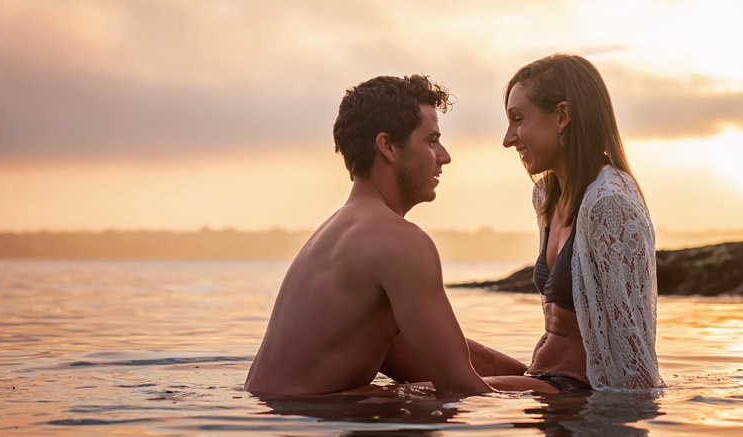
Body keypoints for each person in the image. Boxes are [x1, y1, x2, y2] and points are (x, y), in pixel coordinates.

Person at [244, 74, 546, 398]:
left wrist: (532, 375)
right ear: (388, 147)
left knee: (400, 394)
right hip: (319, 430)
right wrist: (558, 398)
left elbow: (422, 359)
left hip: (280, 425)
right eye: (431, 141)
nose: (444, 156)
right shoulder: (399, 243)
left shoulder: (340, 233)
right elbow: (459, 386)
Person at [502, 54, 661, 392]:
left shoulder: (609, 202)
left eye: (517, 120)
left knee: (414, 393)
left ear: (562, 116)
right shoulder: (546, 197)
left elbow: (632, 340)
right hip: (542, 375)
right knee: (403, 343)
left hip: (574, 390)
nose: (508, 138)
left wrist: (621, 425)